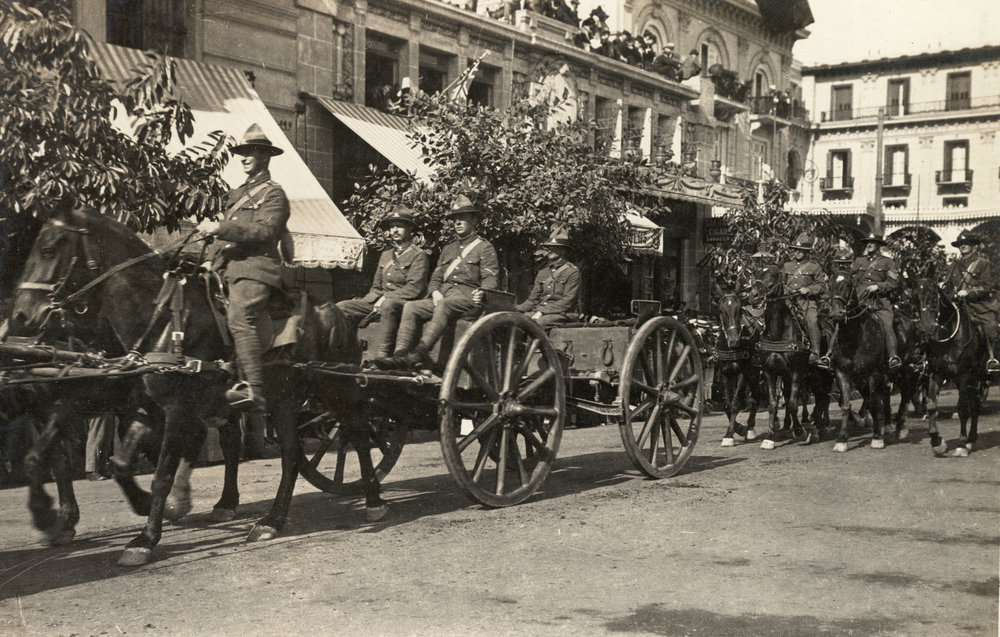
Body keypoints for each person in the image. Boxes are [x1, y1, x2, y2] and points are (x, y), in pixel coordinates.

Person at [197, 123, 290, 412]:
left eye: (251, 152)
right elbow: (222, 239)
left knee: (240, 315)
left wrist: (220, 227)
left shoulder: (274, 195)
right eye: (243, 153)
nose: (244, 158)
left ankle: (254, 389)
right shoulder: (235, 195)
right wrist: (209, 259)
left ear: (266, 156)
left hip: (255, 270)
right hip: (226, 269)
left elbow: (265, 233)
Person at [373, 195, 499, 371]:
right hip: (444, 297)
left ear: (474, 220)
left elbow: (490, 277)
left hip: (468, 299)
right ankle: (400, 355)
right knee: (412, 307)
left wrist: (484, 291)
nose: (458, 222)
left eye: (463, 218)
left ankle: (419, 354)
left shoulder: (484, 248)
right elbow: (436, 278)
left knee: (444, 305)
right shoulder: (448, 249)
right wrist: (434, 292)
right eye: (455, 219)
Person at [336, 205, 429, 358]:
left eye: (399, 226)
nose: (395, 230)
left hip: (403, 305)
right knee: (343, 307)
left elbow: (414, 289)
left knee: (388, 305)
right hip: (379, 302)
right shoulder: (386, 255)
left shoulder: (419, 255)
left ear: (410, 230)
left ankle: (382, 356)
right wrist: (367, 302)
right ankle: (345, 353)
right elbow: (376, 287)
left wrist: (386, 298)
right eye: (392, 227)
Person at [943, 229, 1000, 373]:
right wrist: (942, 285)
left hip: (977, 305)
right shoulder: (954, 265)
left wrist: (968, 292)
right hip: (956, 305)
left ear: (973, 245)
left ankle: (991, 359)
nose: (963, 246)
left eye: (966, 243)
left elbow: (988, 286)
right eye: (961, 243)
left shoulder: (982, 263)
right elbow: (948, 284)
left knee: (990, 327)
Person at [850, 233, 902, 370]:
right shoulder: (859, 261)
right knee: (841, 321)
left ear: (879, 245)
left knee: (887, 325)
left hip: (879, 303)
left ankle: (893, 357)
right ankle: (829, 354)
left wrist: (878, 286)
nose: (869, 244)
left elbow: (894, 282)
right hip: (860, 301)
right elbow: (850, 278)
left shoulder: (888, 262)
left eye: (873, 242)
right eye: (868, 242)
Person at [516, 228, 580, 327]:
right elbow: (532, 300)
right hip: (541, 312)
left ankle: (537, 343)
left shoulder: (572, 272)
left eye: (554, 247)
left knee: (537, 324)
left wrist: (542, 312)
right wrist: (514, 310)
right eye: (549, 247)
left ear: (563, 250)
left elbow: (567, 302)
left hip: (564, 314)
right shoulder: (543, 272)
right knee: (517, 321)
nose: (549, 250)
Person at [781, 232, 828, 367]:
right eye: (796, 249)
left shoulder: (814, 267)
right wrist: (787, 290)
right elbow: (782, 283)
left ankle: (816, 352)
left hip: (806, 301)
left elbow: (822, 285)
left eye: (801, 250)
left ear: (807, 252)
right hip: (788, 300)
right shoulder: (787, 266)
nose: (797, 252)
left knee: (812, 320)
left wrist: (809, 289)